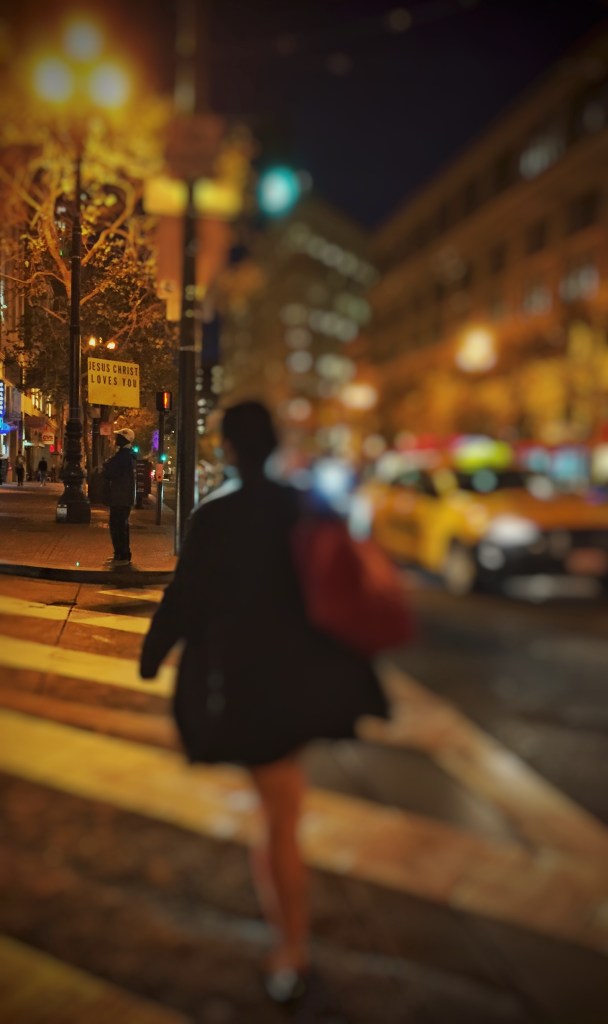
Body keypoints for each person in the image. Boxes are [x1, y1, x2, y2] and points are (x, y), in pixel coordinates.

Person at [139, 401, 388, 1003]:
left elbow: (185, 597)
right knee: (281, 810)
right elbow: (344, 587)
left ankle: (292, 951)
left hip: (247, 684)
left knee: (278, 815)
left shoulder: (216, 516)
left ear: (228, 448)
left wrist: (153, 654)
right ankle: (290, 944)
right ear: (275, 444)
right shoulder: (305, 506)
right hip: (304, 683)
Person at [102, 427, 136, 567]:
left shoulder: (123, 456)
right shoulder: (126, 455)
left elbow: (110, 471)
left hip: (120, 497)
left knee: (118, 526)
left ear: (124, 440)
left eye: (119, 437)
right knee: (121, 526)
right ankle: (122, 554)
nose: (116, 439)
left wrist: (106, 465)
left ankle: (121, 554)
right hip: (123, 497)